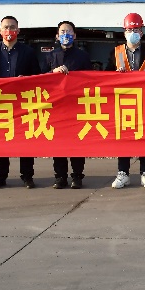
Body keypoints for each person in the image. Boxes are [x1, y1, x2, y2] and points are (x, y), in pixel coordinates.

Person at [0, 16, 41, 189]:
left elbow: (37, 75)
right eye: (5, 27)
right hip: (0, 102)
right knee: (0, 140)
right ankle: (0, 176)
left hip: (22, 102)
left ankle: (27, 176)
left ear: (18, 30)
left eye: (12, 27)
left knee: (25, 139)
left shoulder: (28, 52)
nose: (9, 31)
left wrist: (27, 79)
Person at [111, 12, 145, 190]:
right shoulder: (116, 52)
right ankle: (123, 173)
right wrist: (115, 74)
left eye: (136, 29)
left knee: (144, 136)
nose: (133, 33)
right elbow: (105, 76)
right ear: (124, 32)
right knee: (123, 137)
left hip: (144, 101)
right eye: (130, 30)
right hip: (123, 101)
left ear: (142, 31)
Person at [45, 20, 92, 188]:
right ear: (57, 36)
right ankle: (60, 177)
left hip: (76, 105)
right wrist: (53, 72)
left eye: (69, 31)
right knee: (58, 142)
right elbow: (40, 78)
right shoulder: (50, 56)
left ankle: (77, 176)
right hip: (57, 106)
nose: (66, 34)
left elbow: (91, 78)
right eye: (63, 32)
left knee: (77, 142)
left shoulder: (82, 56)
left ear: (75, 35)